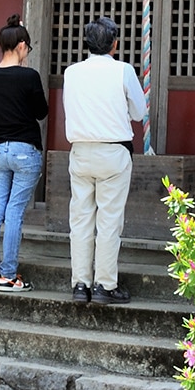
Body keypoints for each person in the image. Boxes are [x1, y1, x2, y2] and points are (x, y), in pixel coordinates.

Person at [61, 16, 146, 306]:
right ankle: (104, 285)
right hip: (113, 152)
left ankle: (80, 284)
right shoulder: (123, 70)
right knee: (109, 221)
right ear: (114, 43)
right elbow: (138, 112)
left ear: (86, 43)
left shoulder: (71, 72)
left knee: (81, 220)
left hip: (81, 150)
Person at [0, 13, 49, 292]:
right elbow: (41, 112)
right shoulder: (29, 76)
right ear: (22, 45)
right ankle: (9, 275)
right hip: (25, 150)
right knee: (14, 213)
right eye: (28, 48)